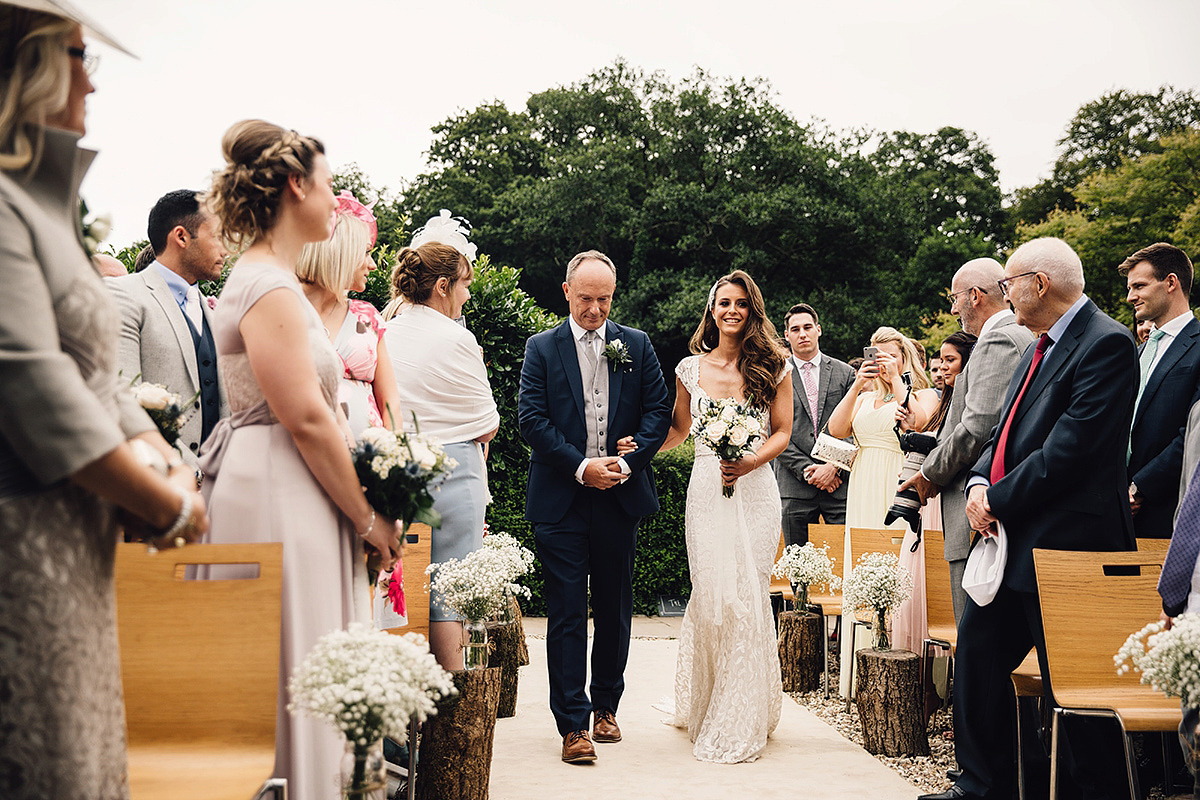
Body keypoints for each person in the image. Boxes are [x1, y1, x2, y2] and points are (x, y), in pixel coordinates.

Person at [0, 5, 209, 797]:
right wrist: (165, 501)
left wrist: (162, 458)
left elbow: (94, 380)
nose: (92, 77)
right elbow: (31, 382)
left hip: (75, 549)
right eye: (79, 55)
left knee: (84, 760)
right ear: (31, 66)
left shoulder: (39, 205)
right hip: (20, 543)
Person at [200, 119, 403, 800]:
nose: (334, 197)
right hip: (278, 488)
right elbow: (310, 419)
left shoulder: (268, 278)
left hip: (286, 481)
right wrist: (370, 519)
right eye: (328, 183)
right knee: (294, 666)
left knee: (311, 663)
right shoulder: (269, 286)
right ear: (295, 187)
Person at [920, 237, 1138, 800]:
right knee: (979, 661)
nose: (1003, 291)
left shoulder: (1107, 343)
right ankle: (981, 787)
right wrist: (975, 484)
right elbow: (1001, 432)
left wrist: (995, 499)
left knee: (1077, 691)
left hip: (1071, 546)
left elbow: (1071, 450)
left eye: (1010, 281)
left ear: (1038, 284)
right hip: (1013, 543)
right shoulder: (1035, 345)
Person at [518, 250, 671, 763]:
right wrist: (582, 466)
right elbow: (531, 420)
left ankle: (606, 707)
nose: (595, 309)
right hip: (562, 498)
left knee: (614, 607)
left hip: (619, 497)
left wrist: (628, 465)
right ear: (566, 292)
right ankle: (572, 724)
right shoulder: (540, 348)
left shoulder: (638, 344)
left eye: (604, 299)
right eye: (586, 299)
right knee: (564, 613)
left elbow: (657, 412)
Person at [654, 270, 792, 763]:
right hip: (706, 489)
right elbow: (678, 428)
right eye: (722, 303)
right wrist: (639, 451)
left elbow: (781, 431)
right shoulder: (689, 369)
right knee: (711, 589)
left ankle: (744, 709)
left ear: (751, 309)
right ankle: (709, 699)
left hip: (755, 489)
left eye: (739, 303)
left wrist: (751, 460)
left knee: (747, 593)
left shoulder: (774, 365)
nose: (730, 310)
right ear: (711, 310)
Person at [383, 232, 500, 670]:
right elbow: (488, 423)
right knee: (449, 596)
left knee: (399, 588)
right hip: (454, 476)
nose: (467, 296)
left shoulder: (385, 331)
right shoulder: (457, 339)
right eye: (465, 285)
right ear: (443, 286)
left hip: (396, 472)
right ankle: (452, 703)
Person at [899, 258, 1034, 624]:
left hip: (976, 508)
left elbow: (978, 427)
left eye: (955, 298)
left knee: (974, 639)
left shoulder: (999, 339)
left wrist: (931, 473)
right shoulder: (1025, 335)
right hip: (1001, 506)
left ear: (975, 296)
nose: (953, 308)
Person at [828, 326, 937, 696]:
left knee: (895, 567)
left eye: (889, 355)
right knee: (861, 567)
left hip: (895, 478)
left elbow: (918, 421)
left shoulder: (923, 394)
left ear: (905, 358)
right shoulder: (862, 397)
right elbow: (836, 429)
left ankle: (898, 671)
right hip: (861, 483)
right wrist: (858, 385)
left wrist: (897, 380)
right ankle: (860, 677)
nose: (881, 362)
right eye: (876, 355)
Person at [107, 189, 230, 465]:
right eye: (219, 236)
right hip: (158, 478)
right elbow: (122, 395)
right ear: (181, 236)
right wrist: (188, 469)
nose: (226, 250)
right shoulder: (122, 295)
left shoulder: (217, 311)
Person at [297, 190, 400, 436]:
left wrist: (393, 455)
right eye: (366, 252)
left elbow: (390, 402)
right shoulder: (284, 310)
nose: (373, 264)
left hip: (369, 462)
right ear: (340, 252)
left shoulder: (368, 317)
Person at [1122, 243, 1200, 539]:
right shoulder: (1137, 352)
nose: (1131, 297)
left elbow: (1193, 435)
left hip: (1168, 513)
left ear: (1170, 283)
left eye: (1139, 285)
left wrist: (1141, 487)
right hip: (1118, 511)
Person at [773, 302, 856, 548]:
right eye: (795, 329)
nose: (803, 334)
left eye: (807, 327)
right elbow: (773, 430)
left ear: (818, 329)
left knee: (847, 560)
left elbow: (856, 426)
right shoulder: (775, 375)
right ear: (787, 335)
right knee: (797, 567)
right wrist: (810, 470)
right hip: (794, 485)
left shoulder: (845, 373)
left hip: (839, 484)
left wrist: (833, 466)